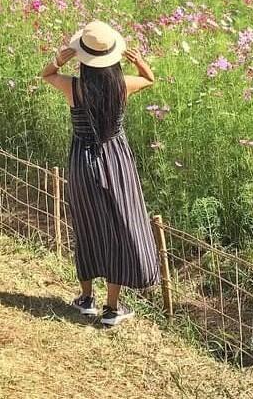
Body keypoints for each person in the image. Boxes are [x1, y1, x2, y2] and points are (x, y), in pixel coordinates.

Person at [40, 19, 160, 326]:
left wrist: (60, 57)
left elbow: (47, 75)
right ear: (113, 57)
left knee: (88, 227)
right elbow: (150, 79)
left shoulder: (73, 88)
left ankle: (85, 299)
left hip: (82, 161)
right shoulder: (123, 86)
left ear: (84, 59)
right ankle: (111, 308)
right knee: (117, 229)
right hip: (116, 162)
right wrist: (140, 62)